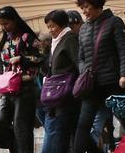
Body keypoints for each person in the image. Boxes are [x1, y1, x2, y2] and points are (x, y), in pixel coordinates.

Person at [73, 0, 125, 153]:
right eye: (82, 7)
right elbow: (81, 57)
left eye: (87, 6)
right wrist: (84, 71)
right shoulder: (84, 29)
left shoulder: (114, 22)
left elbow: (124, 50)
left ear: (97, 5)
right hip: (91, 86)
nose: (84, 11)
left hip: (114, 83)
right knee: (82, 125)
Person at [0, 6, 43, 153]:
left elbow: (41, 57)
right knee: (2, 122)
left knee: (21, 126)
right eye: (2, 24)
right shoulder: (5, 40)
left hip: (25, 86)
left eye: (7, 24)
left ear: (15, 20)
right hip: (7, 88)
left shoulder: (27, 37)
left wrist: (22, 59)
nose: (4, 27)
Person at [41, 9, 79, 153]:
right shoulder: (57, 41)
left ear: (62, 24)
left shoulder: (69, 39)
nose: (50, 30)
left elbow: (78, 64)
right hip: (57, 95)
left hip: (66, 94)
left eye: (52, 26)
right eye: (48, 27)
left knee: (61, 135)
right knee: (70, 134)